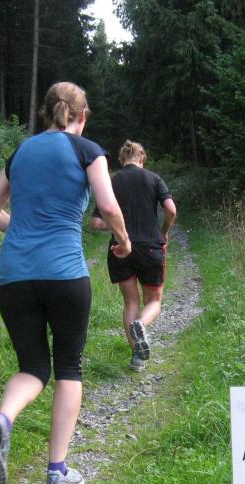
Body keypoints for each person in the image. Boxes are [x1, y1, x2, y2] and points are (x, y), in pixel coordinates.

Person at [0, 82, 131, 484]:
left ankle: (3, 419)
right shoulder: (88, 151)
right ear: (83, 115)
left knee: (32, 367)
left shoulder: (21, 153)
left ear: (47, 112)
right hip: (64, 275)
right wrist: (124, 240)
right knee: (68, 368)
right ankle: (57, 472)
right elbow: (108, 206)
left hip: (14, 276)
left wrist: (26, 229)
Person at [91, 140, 177, 372]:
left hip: (120, 249)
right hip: (150, 247)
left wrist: (119, 228)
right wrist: (163, 232)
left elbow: (97, 223)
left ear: (122, 160)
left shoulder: (111, 181)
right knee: (154, 301)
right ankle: (141, 324)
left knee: (130, 302)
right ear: (142, 158)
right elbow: (171, 210)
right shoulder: (154, 179)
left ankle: (137, 359)